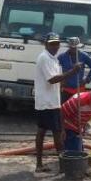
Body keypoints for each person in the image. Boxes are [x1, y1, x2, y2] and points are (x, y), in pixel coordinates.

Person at [34, 32, 82, 172]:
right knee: (56, 132)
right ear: (46, 44)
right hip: (47, 103)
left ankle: (41, 165)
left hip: (52, 101)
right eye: (52, 44)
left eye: (57, 43)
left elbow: (58, 80)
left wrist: (64, 82)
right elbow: (52, 79)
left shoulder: (53, 59)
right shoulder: (44, 58)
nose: (55, 46)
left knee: (44, 131)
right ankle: (63, 166)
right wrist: (73, 71)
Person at [61, 86, 91, 152]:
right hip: (67, 126)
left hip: (79, 128)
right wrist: (62, 130)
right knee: (75, 153)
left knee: (78, 151)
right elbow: (61, 113)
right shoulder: (79, 100)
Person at [58, 37, 91, 103]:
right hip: (66, 89)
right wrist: (61, 80)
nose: (73, 49)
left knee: (78, 109)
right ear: (69, 46)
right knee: (64, 109)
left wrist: (87, 80)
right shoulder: (62, 56)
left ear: (78, 47)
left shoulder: (84, 56)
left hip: (79, 88)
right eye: (72, 47)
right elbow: (55, 68)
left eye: (75, 47)